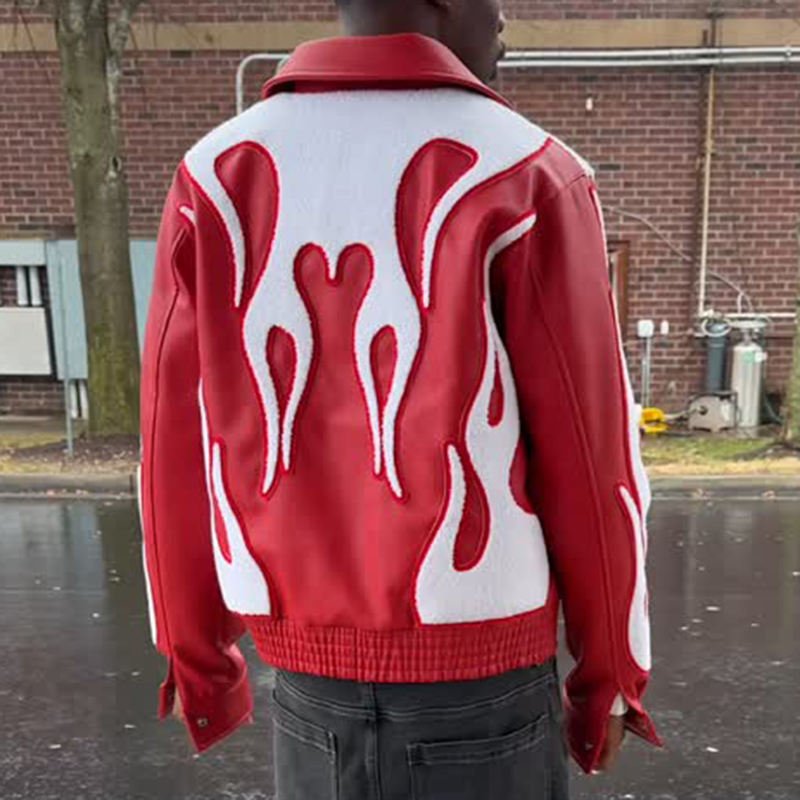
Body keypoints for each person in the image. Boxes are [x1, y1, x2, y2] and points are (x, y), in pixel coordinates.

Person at [137, 0, 661, 797]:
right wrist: (610, 676)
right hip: (483, 681)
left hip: (309, 686)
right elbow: (592, 458)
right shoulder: (528, 170)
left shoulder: (216, 173)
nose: (504, 19)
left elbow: (172, 434)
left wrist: (194, 653)